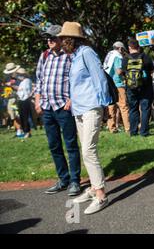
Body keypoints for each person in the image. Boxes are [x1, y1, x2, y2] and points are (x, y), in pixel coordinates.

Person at [60, 21, 111, 214]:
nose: (61, 42)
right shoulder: (74, 57)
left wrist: (104, 104)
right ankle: (92, 189)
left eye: (64, 38)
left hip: (91, 107)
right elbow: (79, 83)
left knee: (89, 151)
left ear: (71, 39)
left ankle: (101, 196)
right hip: (79, 109)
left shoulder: (87, 53)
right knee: (85, 151)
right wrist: (71, 100)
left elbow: (99, 78)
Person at [35, 24, 81, 196]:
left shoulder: (70, 56)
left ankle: (75, 181)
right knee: (54, 145)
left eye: (53, 38)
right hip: (47, 107)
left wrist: (71, 99)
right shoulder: (45, 56)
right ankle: (63, 179)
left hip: (63, 106)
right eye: (48, 38)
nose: (49, 41)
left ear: (61, 39)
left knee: (71, 145)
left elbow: (77, 79)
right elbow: (39, 79)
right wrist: (38, 101)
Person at [120, 39, 154, 137]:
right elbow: (152, 71)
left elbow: (122, 73)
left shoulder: (125, 59)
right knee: (145, 109)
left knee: (133, 109)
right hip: (145, 87)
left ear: (129, 47)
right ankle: (144, 132)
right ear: (138, 47)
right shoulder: (146, 57)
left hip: (131, 87)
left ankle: (133, 131)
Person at [104, 41, 130, 134]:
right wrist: (125, 73)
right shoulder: (117, 56)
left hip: (108, 83)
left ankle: (112, 127)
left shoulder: (109, 54)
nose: (123, 51)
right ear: (119, 48)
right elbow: (119, 71)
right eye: (123, 49)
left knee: (111, 106)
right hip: (117, 83)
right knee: (124, 106)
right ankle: (128, 128)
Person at [3, 63, 22, 136]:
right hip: (11, 98)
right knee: (12, 114)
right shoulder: (10, 77)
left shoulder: (19, 77)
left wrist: (12, 86)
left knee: (16, 114)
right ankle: (19, 130)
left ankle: (20, 130)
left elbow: (21, 88)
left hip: (17, 98)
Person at [13, 68, 33, 139]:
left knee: (25, 117)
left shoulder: (27, 81)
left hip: (25, 100)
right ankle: (25, 131)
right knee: (22, 117)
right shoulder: (23, 81)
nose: (18, 76)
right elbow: (21, 90)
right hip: (21, 100)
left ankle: (27, 132)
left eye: (19, 75)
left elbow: (25, 92)